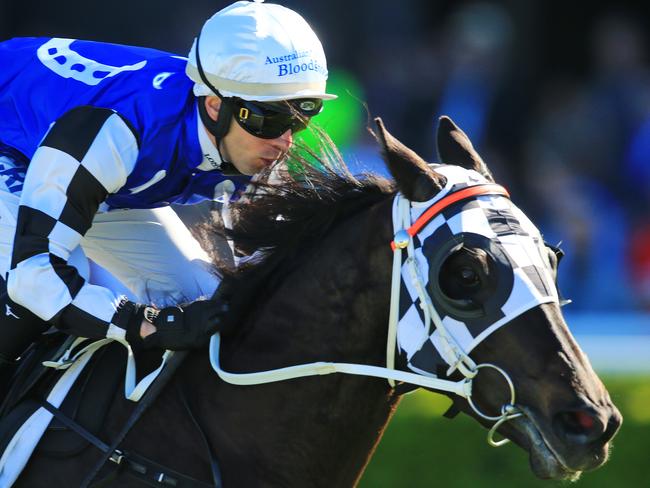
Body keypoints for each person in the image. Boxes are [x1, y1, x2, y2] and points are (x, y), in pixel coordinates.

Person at [0, 0, 335, 394]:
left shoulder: (254, 139)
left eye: (300, 117)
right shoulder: (118, 127)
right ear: (215, 106)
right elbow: (35, 278)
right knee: (49, 289)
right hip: (22, 146)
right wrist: (145, 326)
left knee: (202, 297)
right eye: (270, 119)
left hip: (91, 175)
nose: (285, 140)